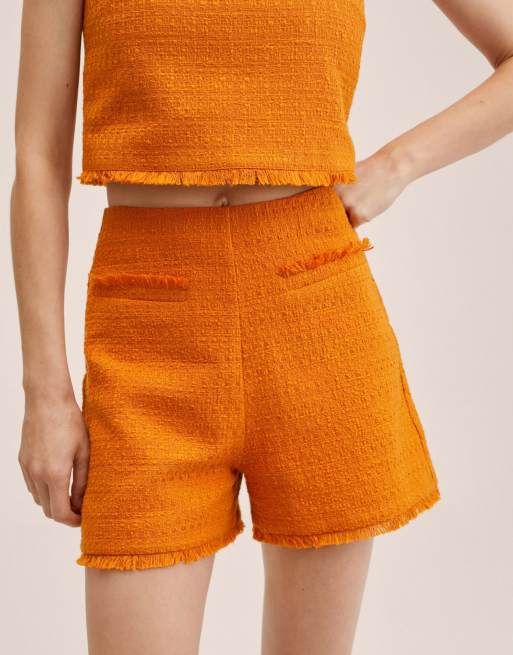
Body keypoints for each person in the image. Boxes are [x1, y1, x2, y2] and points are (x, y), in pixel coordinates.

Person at [10, 1, 513, 654]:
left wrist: (396, 165)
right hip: (147, 338)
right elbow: (37, 161)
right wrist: (45, 393)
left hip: (316, 316)